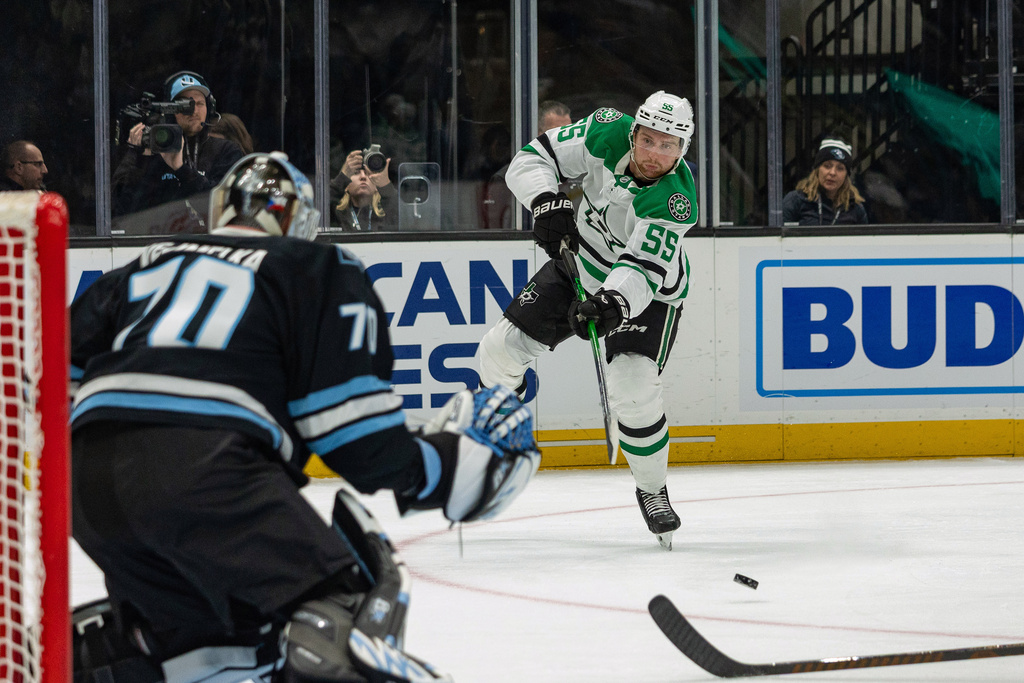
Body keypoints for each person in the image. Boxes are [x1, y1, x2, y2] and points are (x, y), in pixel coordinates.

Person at [70, 151, 540, 682]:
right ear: (301, 219)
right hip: (207, 472)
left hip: (87, 487)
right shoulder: (315, 266)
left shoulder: (142, 266)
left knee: (214, 642)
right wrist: (444, 468)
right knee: (335, 614)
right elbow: (351, 434)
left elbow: (47, 375)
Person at [477, 91, 698, 550]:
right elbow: (532, 157)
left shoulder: (676, 201)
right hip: (581, 261)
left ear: (682, 150)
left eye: (668, 145)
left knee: (633, 389)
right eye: (649, 139)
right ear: (634, 131)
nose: (655, 153)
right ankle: (500, 445)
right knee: (498, 351)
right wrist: (544, 200)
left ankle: (652, 489)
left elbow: (641, 268)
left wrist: (611, 303)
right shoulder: (605, 131)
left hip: (647, 293)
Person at [112, 70, 244, 218]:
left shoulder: (225, 151)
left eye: (199, 103)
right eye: (183, 105)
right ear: (170, 111)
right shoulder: (151, 148)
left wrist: (180, 169)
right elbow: (121, 211)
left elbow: (226, 203)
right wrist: (140, 158)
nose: (193, 110)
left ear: (209, 109)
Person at [482, 101, 574, 230]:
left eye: (570, 133)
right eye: (557, 134)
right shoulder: (507, 178)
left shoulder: (583, 173)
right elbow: (496, 231)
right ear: (538, 135)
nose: (566, 140)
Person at [782, 137, 868, 226]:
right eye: (827, 166)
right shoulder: (796, 200)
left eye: (840, 168)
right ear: (817, 169)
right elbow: (780, 237)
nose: (832, 173)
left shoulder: (855, 208)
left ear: (846, 175)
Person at [330, 148, 397, 231]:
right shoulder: (335, 214)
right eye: (356, 173)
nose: (363, 177)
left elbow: (404, 215)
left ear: (376, 186)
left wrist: (386, 188)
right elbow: (318, 208)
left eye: (367, 173)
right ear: (346, 185)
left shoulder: (385, 212)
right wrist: (341, 178)